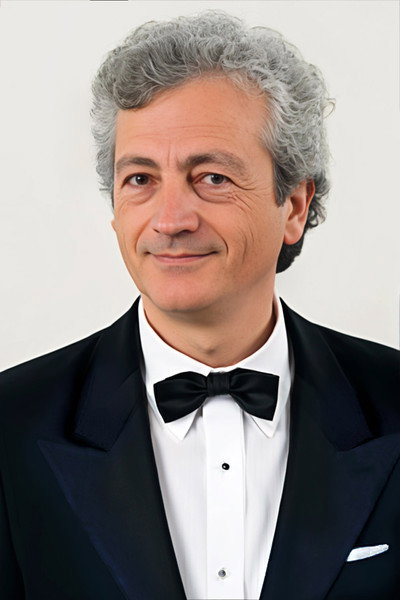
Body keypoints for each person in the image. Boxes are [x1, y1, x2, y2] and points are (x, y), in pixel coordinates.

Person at [0, 10, 398, 600]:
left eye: (212, 177)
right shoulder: (10, 426)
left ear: (293, 206)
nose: (170, 220)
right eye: (140, 179)